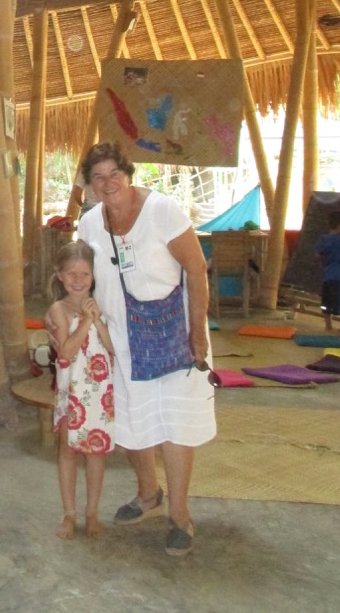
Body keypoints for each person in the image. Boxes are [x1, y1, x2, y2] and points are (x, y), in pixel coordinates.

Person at [76, 141, 215, 557]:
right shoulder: (90, 224)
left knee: (174, 424)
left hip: (174, 332)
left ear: (128, 173)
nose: (108, 183)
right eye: (98, 177)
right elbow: (84, 277)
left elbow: (196, 269)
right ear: (89, 184)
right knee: (132, 421)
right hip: (120, 336)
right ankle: (148, 494)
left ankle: (180, 516)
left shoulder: (162, 211)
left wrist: (198, 333)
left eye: (114, 174)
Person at [46, 240, 115, 540]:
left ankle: (92, 512)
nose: (78, 280)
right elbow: (65, 353)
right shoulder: (59, 310)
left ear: (93, 276)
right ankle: (69, 513)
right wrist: (86, 322)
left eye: (84, 274)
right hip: (71, 392)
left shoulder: (101, 306)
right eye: (71, 274)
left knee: (95, 453)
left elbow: (113, 349)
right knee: (68, 450)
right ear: (60, 276)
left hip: (99, 393)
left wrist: (97, 320)